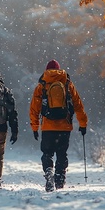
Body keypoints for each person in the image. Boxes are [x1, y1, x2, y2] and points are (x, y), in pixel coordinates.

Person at [29, 59, 88, 192]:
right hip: (64, 126)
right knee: (62, 154)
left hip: (48, 127)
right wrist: (83, 124)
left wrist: (34, 126)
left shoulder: (42, 84)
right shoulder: (67, 83)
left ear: (46, 69)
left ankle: (49, 172)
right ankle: (60, 180)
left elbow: (34, 108)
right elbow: (78, 105)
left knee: (47, 153)